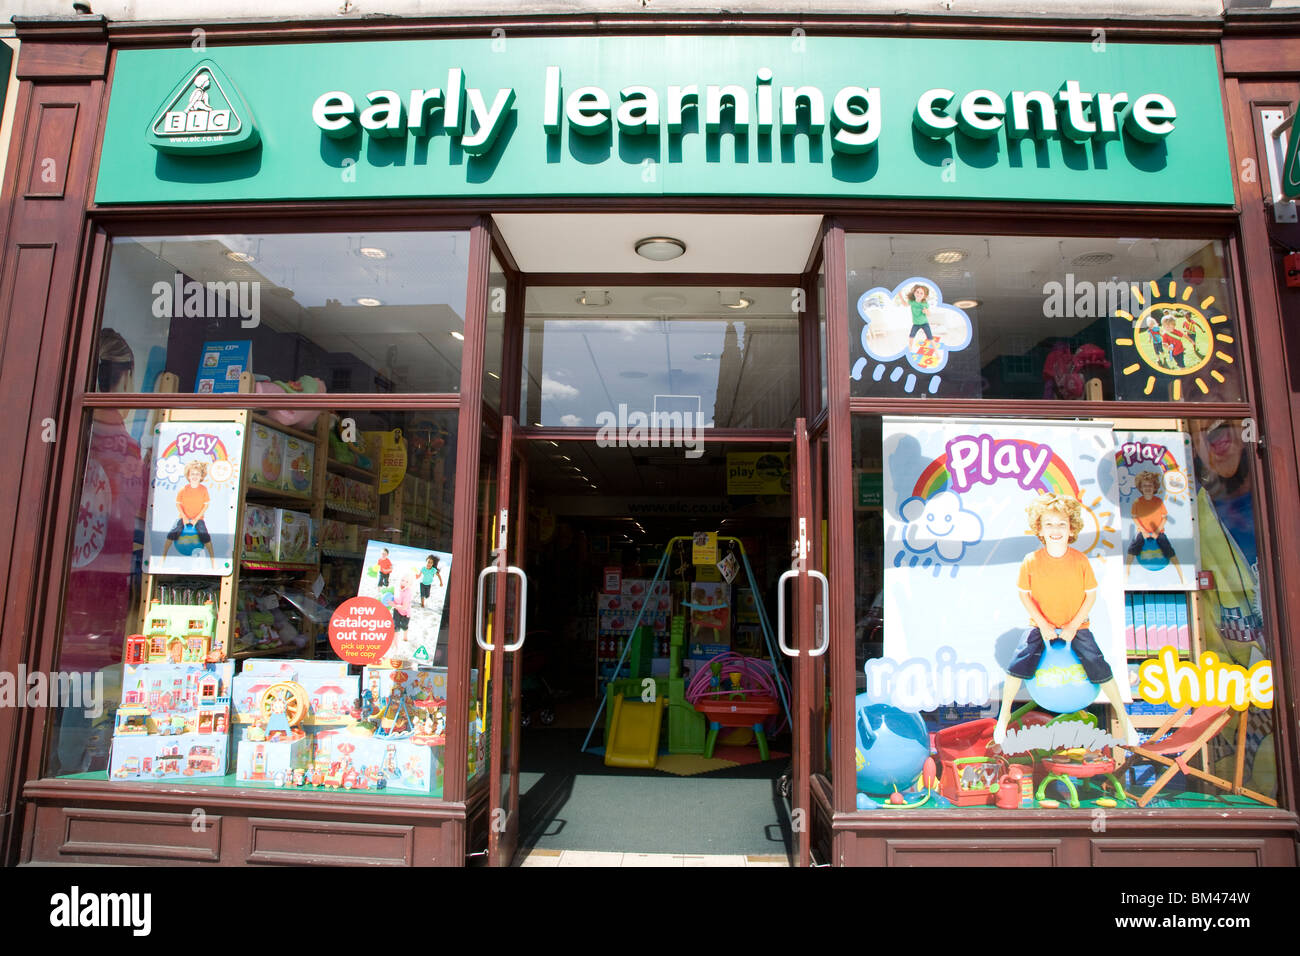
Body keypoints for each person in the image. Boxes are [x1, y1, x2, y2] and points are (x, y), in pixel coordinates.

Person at [994, 494, 1139, 746]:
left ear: (1071, 528)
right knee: (1017, 663)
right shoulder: (1031, 561)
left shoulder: (1080, 561)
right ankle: (1004, 716)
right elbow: (1024, 596)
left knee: (1099, 664)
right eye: (1049, 524)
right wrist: (1043, 624)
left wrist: (1073, 626)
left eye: (1061, 524)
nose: (1055, 530)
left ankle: (1125, 720)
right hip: (1041, 625)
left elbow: (1090, 597)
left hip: (1076, 625)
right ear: (1039, 528)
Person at [1125, 470, 1183, 583]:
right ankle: (1126, 574)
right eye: (1144, 485)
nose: (1147, 488)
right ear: (1140, 487)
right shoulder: (1137, 502)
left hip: (1159, 532)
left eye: (1150, 485)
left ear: (1154, 486)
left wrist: (1157, 531)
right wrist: (1143, 531)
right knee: (1132, 550)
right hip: (1143, 532)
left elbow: (1164, 517)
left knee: (1169, 550)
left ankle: (1181, 576)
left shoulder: (1158, 501)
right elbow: (1135, 517)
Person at [162, 460, 215, 565]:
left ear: (201, 476)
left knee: (205, 536)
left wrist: (196, 518)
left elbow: (206, 505)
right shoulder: (183, 489)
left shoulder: (203, 490)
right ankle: (162, 557)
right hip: (183, 517)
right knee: (172, 533)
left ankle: (213, 560)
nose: (195, 476)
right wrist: (184, 517)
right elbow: (178, 504)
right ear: (188, 475)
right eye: (192, 474)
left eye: (197, 474)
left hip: (198, 518)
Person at [900, 282, 934, 347]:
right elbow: (905, 304)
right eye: (917, 292)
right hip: (915, 324)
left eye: (921, 293)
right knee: (911, 337)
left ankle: (936, 352)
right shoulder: (912, 302)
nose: (919, 294)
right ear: (914, 292)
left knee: (930, 338)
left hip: (924, 323)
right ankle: (910, 348)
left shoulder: (924, 304)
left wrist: (926, 311)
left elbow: (929, 314)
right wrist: (900, 295)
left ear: (924, 295)